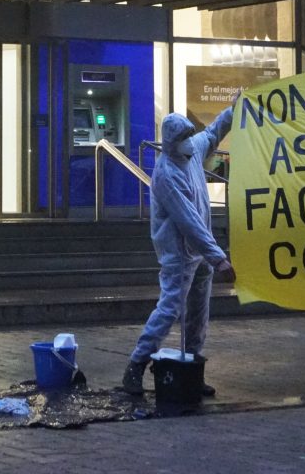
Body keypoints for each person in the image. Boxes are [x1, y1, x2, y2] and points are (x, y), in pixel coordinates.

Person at [123, 95, 237, 397]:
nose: (189, 141)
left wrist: (233, 110)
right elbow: (189, 221)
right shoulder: (166, 175)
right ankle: (137, 363)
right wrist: (218, 258)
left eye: (189, 135)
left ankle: (192, 370)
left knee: (198, 315)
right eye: (183, 137)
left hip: (199, 253)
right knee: (169, 309)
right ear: (171, 143)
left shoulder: (192, 152)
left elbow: (212, 133)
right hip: (179, 256)